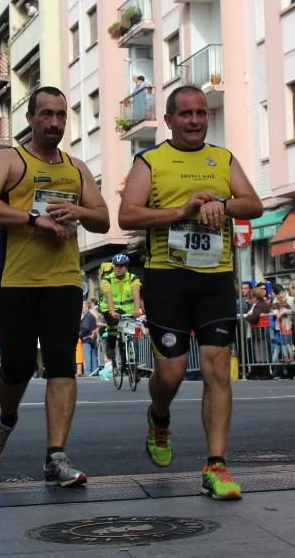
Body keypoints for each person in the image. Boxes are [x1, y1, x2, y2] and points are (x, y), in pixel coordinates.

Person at [118, 85, 263, 500]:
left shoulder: (223, 158)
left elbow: (253, 204)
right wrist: (181, 212)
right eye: (186, 114)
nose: (196, 120)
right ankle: (159, 416)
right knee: (172, 373)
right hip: (167, 277)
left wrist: (223, 204)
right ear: (169, 120)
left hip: (215, 277)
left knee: (217, 366)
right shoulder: (150, 161)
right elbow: (127, 215)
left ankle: (216, 465)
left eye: (201, 113)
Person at [0, 85, 110, 487]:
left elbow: (103, 219)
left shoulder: (76, 168)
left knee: (62, 364)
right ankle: (7, 417)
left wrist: (78, 209)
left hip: (63, 280)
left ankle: (55, 456)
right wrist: (34, 219)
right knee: (17, 367)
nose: (54, 122)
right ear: (30, 118)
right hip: (13, 280)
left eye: (61, 115)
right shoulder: (10, 160)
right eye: (46, 114)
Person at [99, 253, 143, 377]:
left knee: (131, 336)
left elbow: (136, 292)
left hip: (128, 311)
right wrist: (112, 311)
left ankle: (133, 366)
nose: (119, 268)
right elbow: (108, 295)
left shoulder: (133, 278)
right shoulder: (107, 279)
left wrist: (137, 309)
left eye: (122, 266)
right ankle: (112, 356)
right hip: (110, 309)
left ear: (126, 267)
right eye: (116, 266)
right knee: (113, 330)